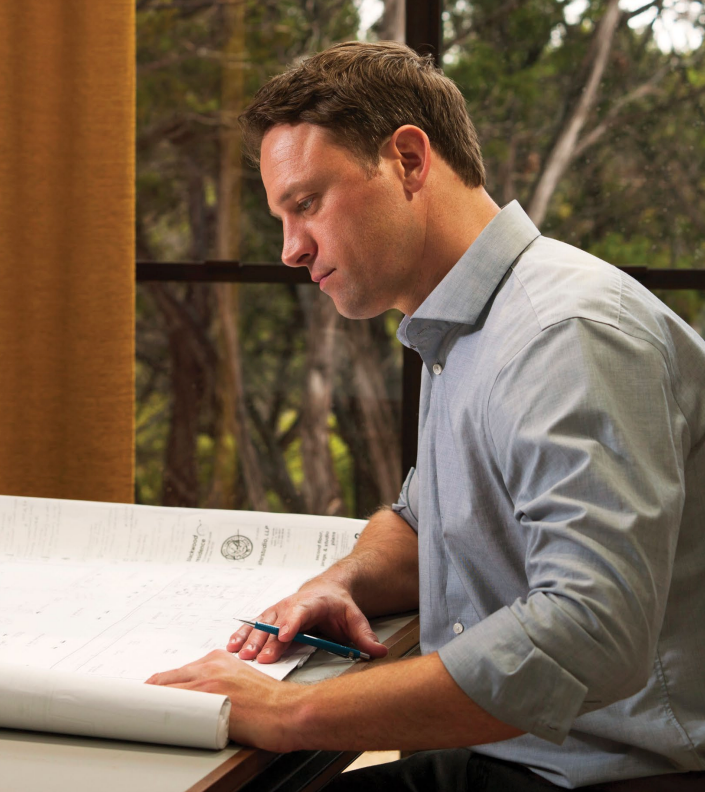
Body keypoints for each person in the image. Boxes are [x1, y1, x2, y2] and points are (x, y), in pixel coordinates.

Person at [147, 41, 705, 790]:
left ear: (408, 161)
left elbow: (591, 631)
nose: (289, 250)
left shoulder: (562, 335)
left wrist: (290, 711)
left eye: (306, 204)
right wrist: (341, 582)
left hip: (617, 775)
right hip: (527, 755)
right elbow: (427, 522)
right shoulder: (467, 328)